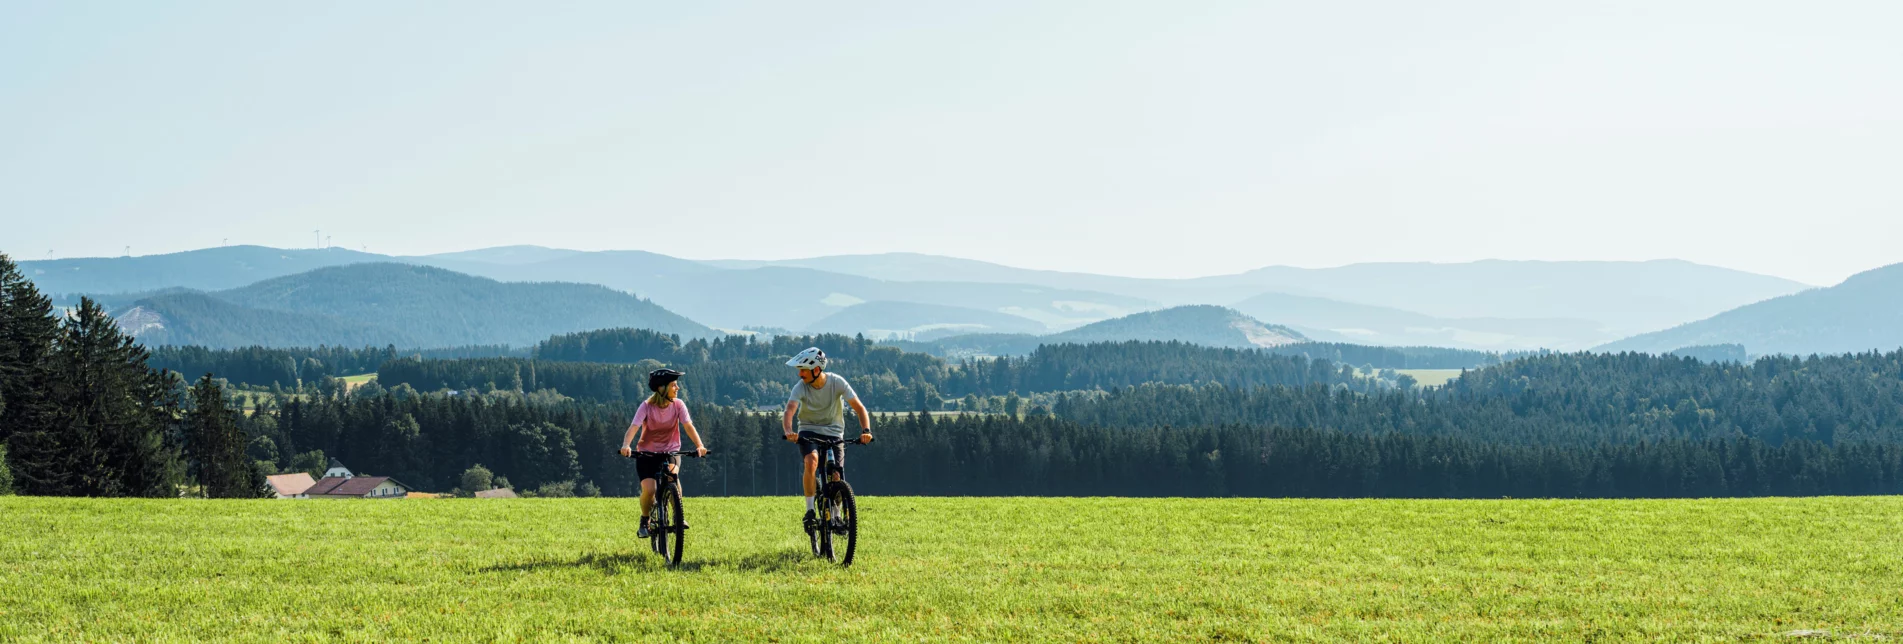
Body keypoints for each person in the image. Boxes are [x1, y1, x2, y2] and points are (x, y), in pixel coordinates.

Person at [781, 347, 873, 532]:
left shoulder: (837, 382)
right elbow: (789, 410)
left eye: (803, 370)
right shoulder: (800, 387)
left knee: (836, 474)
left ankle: (837, 515)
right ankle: (809, 511)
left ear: (816, 370)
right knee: (811, 461)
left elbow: (859, 408)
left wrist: (866, 431)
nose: (799, 374)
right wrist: (789, 431)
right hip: (808, 430)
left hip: (834, 432)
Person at [620, 368, 708, 538]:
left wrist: (700, 445)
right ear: (662, 388)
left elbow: (688, 426)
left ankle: (678, 516)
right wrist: (626, 445)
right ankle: (645, 519)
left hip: (671, 451)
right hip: (647, 454)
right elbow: (634, 427)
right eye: (674, 385)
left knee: (673, 476)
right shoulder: (646, 406)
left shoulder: (678, 405)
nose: (678, 388)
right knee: (650, 489)